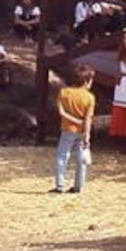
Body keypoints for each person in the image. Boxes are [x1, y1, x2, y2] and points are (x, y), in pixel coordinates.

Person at [52, 65, 95, 194]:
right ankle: (78, 186)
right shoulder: (89, 97)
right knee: (81, 158)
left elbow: (61, 112)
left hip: (67, 129)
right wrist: (87, 134)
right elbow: (88, 119)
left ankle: (60, 185)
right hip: (81, 131)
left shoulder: (64, 92)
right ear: (86, 81)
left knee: (62, 156)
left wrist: (74, 120)